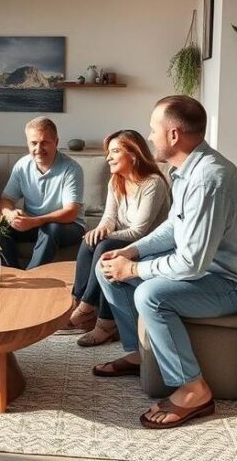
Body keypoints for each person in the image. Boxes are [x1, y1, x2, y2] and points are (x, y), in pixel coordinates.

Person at [94, 96, 237, 429]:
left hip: (233, 284)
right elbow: (174, 227)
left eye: (153, 129)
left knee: (150, 295)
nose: (149, 136)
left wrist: (135, 270)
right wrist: (132, 253)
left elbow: (191, 264)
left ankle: (193, 388)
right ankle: (136, 352)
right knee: (108, 265)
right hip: (208, 271)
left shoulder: (208, 179)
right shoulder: (187, 171)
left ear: (174, 135)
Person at [68, 129, 169, 347]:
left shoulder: (153, 183)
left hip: (148, 246)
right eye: (108, 152)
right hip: (122, 240)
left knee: (104, 245)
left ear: (133, 154)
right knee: (91, 240)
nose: (108, 157)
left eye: (115, 151)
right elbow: (109, 218)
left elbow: (139, 231)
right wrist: (100, 230)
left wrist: (106, 236)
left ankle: (99, 319)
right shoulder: (116, 181)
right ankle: (78, 302)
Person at [0, 117, 85, 269]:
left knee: (51, 228)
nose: (38, 149)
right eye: (33, 143)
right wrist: (10, 215)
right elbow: (6, 199)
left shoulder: (71, 169)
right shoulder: (22, 166)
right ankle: (13, 274)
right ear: (27, 143)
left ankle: (32, 277)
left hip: (68, 226)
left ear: (56, 142)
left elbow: (70, 213)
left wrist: (35, 221)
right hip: (33, 223)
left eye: (44, 142)